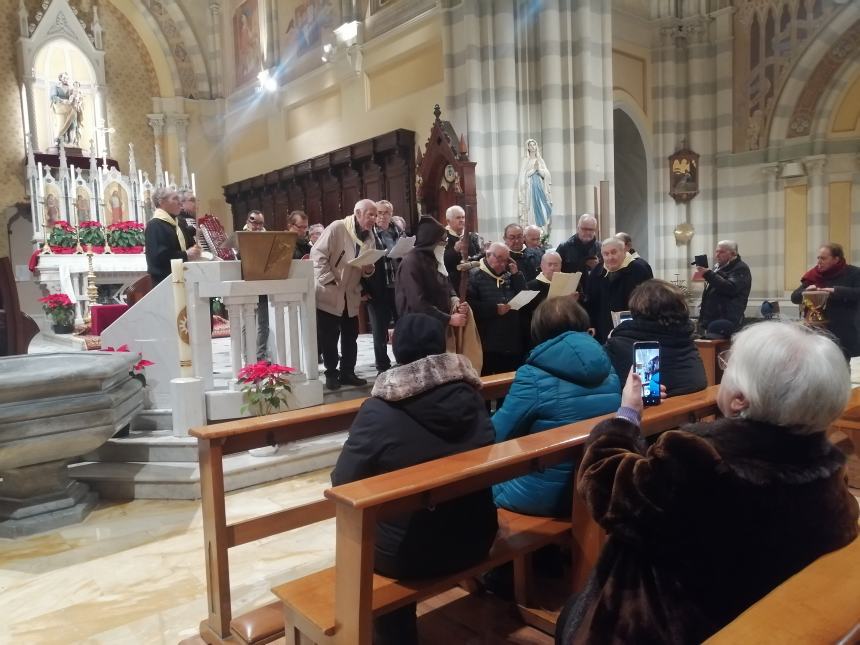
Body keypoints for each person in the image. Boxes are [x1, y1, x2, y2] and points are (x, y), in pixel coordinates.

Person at [558, 321, 859, 644]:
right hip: (762, 615)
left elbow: (605, 483)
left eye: (728, 364)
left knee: (572, 614)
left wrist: (625, 417)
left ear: (740, 400)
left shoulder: (698, 461)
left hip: (667, 626)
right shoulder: (826, 471)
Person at [331, 313, 498, 645]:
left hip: (409, 555)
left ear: (396, 350)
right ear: (440, 347)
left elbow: (342, 481)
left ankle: (396, 635)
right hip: (478, 535)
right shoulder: (472, 396)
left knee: (370, 528)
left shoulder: (379, 410)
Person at [492, 297, 620, 517]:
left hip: (545, 495)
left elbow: (498, 434)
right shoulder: (607, 365)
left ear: (539, 330)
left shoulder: (531, 375)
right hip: (599, 485)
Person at [311, 199, 377, 390]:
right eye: (369, 214)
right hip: (330, 291)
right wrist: (327, 279)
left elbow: (365, 267)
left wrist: (369, 269)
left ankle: (348, 372)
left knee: (351, 335)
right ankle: (331, 374)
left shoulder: (369, 235)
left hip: (351, 293)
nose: (373, 219)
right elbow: (317, 254)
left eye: (375, 215)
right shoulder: (337, 227)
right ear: (357, 213)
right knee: (329, 337)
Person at [604, 279, 707, 396]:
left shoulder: (619, 344)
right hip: (691, 409)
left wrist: (610, 341)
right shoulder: (685, 339)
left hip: (645, 411)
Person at [791, 242, 860, 358]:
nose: (819, 261)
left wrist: (835, 291)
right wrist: (806, 291)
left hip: (845, 331)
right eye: (818, 258)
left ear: (836, 259)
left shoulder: (854, 273)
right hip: (818, 331)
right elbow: (794, 297)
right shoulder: (813, 275)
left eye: (823, 258)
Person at [395, 216, 466, 328]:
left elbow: (445, 281)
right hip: (417, 328)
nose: (445, 245)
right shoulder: (411, 263)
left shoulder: (433, 259)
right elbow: (417, 303)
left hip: (435, 326)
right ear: (431, 241)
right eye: (442, 242)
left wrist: (454, 299)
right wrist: (449, 319)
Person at [467, 242, 527, 375]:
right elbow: (469, 305)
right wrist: (494, 309)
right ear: (488, 255)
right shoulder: (474, 275)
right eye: (499, 258)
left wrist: (516, 274)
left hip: (511, 339)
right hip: (487, 340)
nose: (502, 263)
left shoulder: (509, 274)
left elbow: (524, 295)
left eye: (505, 260)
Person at [585, 237, 651, 342]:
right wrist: (590, 324)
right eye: (606, 254)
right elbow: (591, 302)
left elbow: (648, 303)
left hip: (632, 332)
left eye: (614, 252)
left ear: (624, 251)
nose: (610, 257)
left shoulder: (640, 269)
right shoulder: (597, 271)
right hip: (603, 332)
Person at [363, 200, 402, 372]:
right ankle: (382, 366)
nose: (382, 216)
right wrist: (363, 288)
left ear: (391, 214)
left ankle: (402, 360)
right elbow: (361, 262)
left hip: (398, 287)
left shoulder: (397, 231)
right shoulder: (367, 233)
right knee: (379, 330)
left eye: (386, 212)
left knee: (402, 325)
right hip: (377, 287)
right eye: (378, 213)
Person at [144, 187, 201, 284]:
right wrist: (186, 254)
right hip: (164, 281)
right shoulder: (155, 225)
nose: (180, 203)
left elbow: (189, 247)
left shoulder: (179, 223)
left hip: (185, 277)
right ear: (161, 202)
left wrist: (195, 250)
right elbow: (159, 257)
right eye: (175, 199)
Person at [695, 239, 751, 336]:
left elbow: (731, 288)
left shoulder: (740, 268)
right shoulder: (718, 267)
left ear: (733, 253)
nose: (717, 255)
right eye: (717, 251)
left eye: (721, 252)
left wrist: (708, 273)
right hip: (713, 321)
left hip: (727, 323)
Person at [444, 205, 483, 292]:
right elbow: (441, 262)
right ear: (448, 221)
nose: (462, 220)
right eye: (458, 218)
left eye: (463, 217)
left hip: (474, 281)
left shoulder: (472, 236)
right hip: (453, 283)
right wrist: (454, 250)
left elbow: (478, 257)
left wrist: (484, 252)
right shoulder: (442, 237)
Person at [556, 214, 602, 288]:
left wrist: (598, 267)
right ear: (578, 228)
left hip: (594, 290)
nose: (587, 232)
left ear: (595, 230)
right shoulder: (564, 247)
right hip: (571, 290)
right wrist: (582, 264)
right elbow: (556, 272)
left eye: (591, 229)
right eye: (584, 229)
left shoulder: (600, 247)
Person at [517, 138, 553, 230]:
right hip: (530, 189)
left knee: (544, 208)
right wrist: (534, 170)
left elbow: (546, 175)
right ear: (528, 148)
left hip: (540, 187)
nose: (533, 147)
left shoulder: (540, 160)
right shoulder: (526, 161)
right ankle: (533, 228)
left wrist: (539, 170)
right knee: (532, 209)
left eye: (534, 145)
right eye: (531, 145)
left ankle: (542, 230)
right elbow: (524, 176)